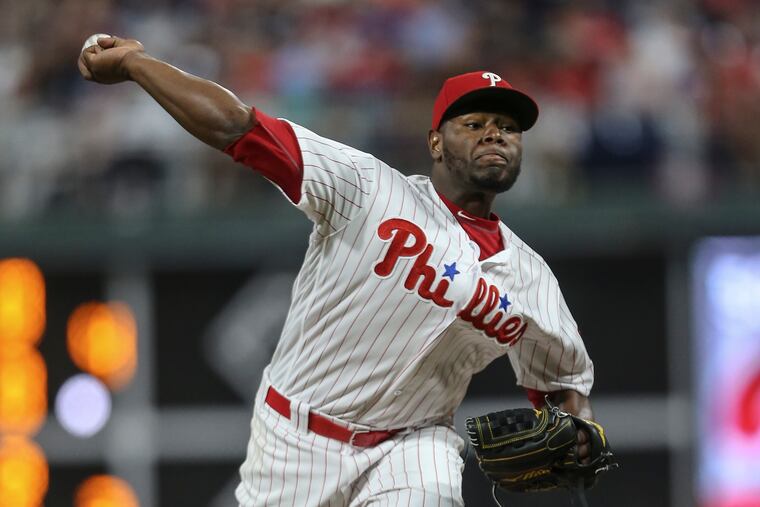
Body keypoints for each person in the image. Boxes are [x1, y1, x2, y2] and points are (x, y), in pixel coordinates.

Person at [78, 36, 596, 506]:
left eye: (507, 128)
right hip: (294, 438)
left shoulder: (531, 280)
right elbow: (238, 126)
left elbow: (561, 383)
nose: (494, 136)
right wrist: (135, 64)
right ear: (436, 142)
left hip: (413, 443)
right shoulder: (368, 188)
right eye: (474, 124)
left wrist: (576, 428)